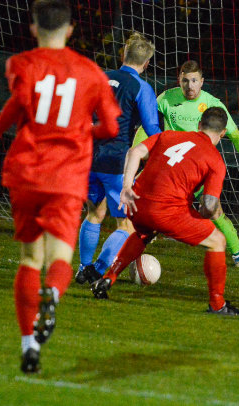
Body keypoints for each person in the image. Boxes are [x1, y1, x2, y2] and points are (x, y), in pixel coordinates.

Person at [0, 0, 120, 374]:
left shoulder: (21, 64)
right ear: (71, 30)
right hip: (67, 177)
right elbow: (111, 127)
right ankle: (53, 294)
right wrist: (82, 130)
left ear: (33, 28)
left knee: (30, 258)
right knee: (60, 256)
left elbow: (18, 104)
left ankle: (29, 346)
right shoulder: (91, 72)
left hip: (27, 172)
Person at [90, 107, 239, 316]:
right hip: (166, 211)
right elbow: (210, 206)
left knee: (144, 233)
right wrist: (201, 215)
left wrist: (126, 186)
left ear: (199, 125)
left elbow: (134, 152)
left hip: (137, 203)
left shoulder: (168, 135)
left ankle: (108, 278)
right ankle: (218, 304)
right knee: (217, 241)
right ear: (223, 133)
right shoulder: (215, 160)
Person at [133, 60, 239, 268]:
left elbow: (234, 134)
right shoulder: (166, 98)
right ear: (179, 80)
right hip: (170, 168)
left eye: (194, 81)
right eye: (185, 81)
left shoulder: (213, 104)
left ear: (202, 82)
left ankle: (237, 253)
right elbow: (146, 124)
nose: (190, 86)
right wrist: (137, 149)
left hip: (198, 171)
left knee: (215, 212)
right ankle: (126, 246)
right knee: (138, 198)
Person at [74, 32, 160, 285]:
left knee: (94, 213)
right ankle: (98, 269)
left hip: (89, 155)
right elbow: (152, 129)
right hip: (115, 161)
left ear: (123, 55)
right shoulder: (141, 87)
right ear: (146, 63)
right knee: (126, 225)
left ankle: (83, 267)